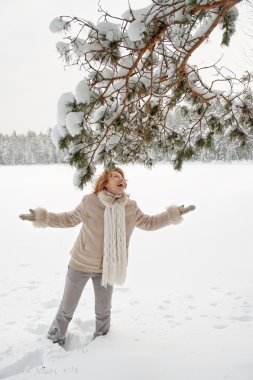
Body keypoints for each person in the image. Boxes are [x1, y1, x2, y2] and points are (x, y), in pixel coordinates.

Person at [19, 167, 196, 346]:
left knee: (104, 311)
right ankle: (55, 340)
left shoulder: (131, 207)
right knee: (67, 308)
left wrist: (173, 214)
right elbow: (68, 219)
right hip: (80, 264)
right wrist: (43, 218)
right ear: (105, 183)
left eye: (123, 178)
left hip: (108, 268)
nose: (122, 180)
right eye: (116, 176)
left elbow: (150, 223)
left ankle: (102, 346)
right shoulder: (90, 202)